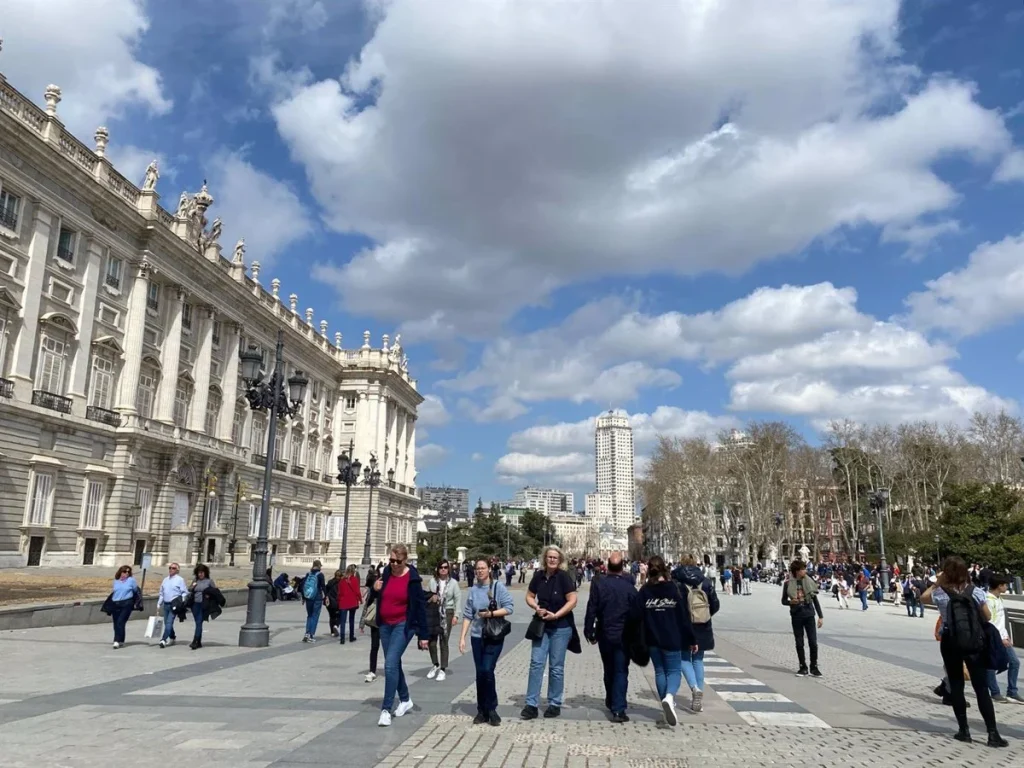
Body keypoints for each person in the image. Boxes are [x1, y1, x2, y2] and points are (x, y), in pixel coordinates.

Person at [922, 557, 1007, 747]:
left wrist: (938, 582)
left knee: (957, 686)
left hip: (950, 642)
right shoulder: (975, 591)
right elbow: (987, 615)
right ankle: (993, 734)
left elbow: (923, 597)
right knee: (981, 688)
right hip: (974, 644)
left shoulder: (941, 594)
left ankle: (964, 731)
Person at [635, 555, 696, 726]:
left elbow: (636, 615)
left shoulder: (645, 591)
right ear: (665, 568)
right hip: (672, 637)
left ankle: (665, 706)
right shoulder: (674, 588)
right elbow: (683, 617)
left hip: (652, 637)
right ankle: (669, 698)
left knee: (660, 672)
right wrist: (691, 638)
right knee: (674, 671)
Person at [375, 544, 429, 727]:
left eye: (398, 561)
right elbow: (381, 594)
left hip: (403, 625)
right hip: (384, 625)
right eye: (391, 560)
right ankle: (405, 699)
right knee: (394, 664)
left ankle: (386, 709)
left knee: (390, 664)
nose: (394, 564)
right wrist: (375, 587)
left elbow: (420, 607)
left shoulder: (413, 579)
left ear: (405, 560)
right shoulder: (387, 573)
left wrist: (424, 635)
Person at [523, 545, 578, 720]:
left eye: (555, 557)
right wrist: (536, 607)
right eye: (549, 557)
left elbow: (573, 600)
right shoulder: (538, 576)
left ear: (560, 560)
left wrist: (557, 614)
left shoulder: (564, 577)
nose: (552, 560)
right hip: (541, 626)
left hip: (561, 627)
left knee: (556, 667)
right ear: (545, 558)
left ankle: (554, 703)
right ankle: (531, 704)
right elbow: (529, 596)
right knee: (536, 664)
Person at [459, 558, 515, 726]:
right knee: (480, 673)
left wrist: (490, 614)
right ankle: (481, 710)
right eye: (477, 568)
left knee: (487, 669)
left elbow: (509, 608)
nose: (480, 571)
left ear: (489, 569)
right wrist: (462, 637)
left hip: (494, 635)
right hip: (477, 636)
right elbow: (468, 614)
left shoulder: (498, 587)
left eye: (483, 568)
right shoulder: (474, 590)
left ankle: (491, 708)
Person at [584, 551, 636, 722]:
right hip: (624, 635)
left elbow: (592, 607)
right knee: (621, 670)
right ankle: (618, 708)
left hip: (604, 632)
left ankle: (611, 698)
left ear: (607, 566)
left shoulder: (600, 584)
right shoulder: (630, 586)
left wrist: (588, 630)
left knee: (609, 668)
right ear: (623, 567)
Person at [673, 554, 720, 712]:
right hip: (703, 625)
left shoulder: (677, 583)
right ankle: (699, 693)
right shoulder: (705, 582)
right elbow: (715, 604)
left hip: (683, 627)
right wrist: (704, 616)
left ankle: (694, 688)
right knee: (698, 660)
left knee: (684, 658)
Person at [782, 559, 823, 677]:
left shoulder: (809, 582)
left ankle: (814, 667)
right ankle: (802, 666)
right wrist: (791, 602)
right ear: (797, 571)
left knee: (813, 642)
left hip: (809, 614)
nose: (805, 571)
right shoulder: (788, 583)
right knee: (799, 642)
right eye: (803, 569)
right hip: (796, 615)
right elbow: (783, 601)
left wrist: (820, 616)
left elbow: (815, 599)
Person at [985, 574, 1022, 703]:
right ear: (999, 586)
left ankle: (1012, 691)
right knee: (991, 665)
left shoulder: (998, 598)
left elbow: (1001, 621)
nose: (1007, 587)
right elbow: (991, 621)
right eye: (1005, 585)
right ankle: (995, 692)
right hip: (995, 638)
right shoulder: (988, 600)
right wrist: (1001, 638)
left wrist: (1006, 635)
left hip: (1003, 636)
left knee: (1014, 662)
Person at [426, 559, 462, 681]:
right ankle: (435, 664)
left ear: (449, 569)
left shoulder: (453, 583)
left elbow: (458, 599)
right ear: (437, 569)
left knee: (444, 640)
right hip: (434, 612)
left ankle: (443, 669)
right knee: (432, 641)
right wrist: (431, 598)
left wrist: (456, 615)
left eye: (445, 567)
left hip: (447, 611)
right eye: (441, 567)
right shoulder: (432, 582)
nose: (443, 569)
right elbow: (426, 596)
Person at [156, 562, 188, 648]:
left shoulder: (180, 580)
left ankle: (163, 639)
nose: (171, 569)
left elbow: (184, 592)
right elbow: (162, 593)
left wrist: (182, 602)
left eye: (173, 568)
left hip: (174, 604)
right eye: (170, 568)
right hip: (166, 604)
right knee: (167, 623)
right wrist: (159, 603)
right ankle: (172, 637)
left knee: (169, 622)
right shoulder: (165, 580)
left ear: (177, 570)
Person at [108, 565, 139, 649]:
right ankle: (121, 640)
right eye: (125, 572)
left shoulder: (131, 580)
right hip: (116, 603)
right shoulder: (116, 581)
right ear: (120, 572)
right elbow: (114, 592)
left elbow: (135, 590)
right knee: (116, 623)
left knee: (120, 622)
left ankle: (116, 641)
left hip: (127, 603)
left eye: (128, 572)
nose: (126, 573)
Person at [360, 570, 382, 683]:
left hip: (388, 622)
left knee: (390, 648)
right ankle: (372, 670)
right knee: (374, 646)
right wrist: (362, 623)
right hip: (376, 622)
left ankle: (392, 669)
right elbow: (367, 606)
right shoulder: (375, 588)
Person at [188, 563, 215, 650]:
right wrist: (192, 586)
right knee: (198, 622)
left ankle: (195, 641)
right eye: (199, 573)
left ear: (205, 573)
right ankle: (199, 642)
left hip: (204, 604)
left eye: (202, 572)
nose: (200, 574)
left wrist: (209, 595)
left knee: (199, 622)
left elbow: (215, 592)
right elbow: (189, 589)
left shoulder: (209, 581)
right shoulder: (195, 580)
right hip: (195, 604)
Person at [301, 560, 326, 643]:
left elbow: (303, 585)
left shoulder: (308, 574)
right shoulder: (320, 575)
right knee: (315, 616)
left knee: (309, 615)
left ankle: (306, 633)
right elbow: (323, 587)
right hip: (317, 597)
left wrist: (303, 597)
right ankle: (311, 635)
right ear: (319, 566)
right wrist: (326, 596)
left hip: (308, 597)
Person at [337, 564, 362, 644]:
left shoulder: (342, 580)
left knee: (343, 621)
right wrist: (360, 600)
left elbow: (339, 592)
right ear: (353, 571)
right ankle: (351, 636)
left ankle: (342, 638)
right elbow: (357, 591)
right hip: (352, 602)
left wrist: (339, 600)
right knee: (352, 620)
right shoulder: (354, 580)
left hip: (343, 602)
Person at [325, 569, 342, 637]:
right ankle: (336, 626)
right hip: (337, 602)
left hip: (329, 603)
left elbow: (326, 591)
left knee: (331, 617)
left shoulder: (330, 582)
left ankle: (332, 632)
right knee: (339, 616)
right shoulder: (341, 583)